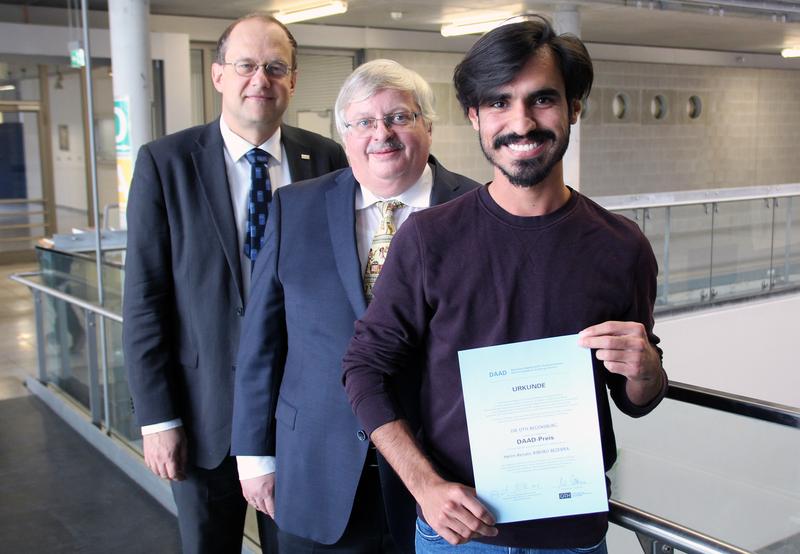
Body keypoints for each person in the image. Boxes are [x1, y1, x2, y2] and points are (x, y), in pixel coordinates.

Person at [342, 18, 668, 554]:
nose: (521, 122)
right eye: (498, 102)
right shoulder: (428, 239)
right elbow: (363, 369)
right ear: (474, 116)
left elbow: (635, 399)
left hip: (573, 532)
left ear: (574, 108)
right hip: (460, 532)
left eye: (542, 100)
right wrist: (424, 486)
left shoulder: (620, 246)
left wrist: (647, 371)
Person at [230, 59, 479, 553]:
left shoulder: (478, 210)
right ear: (344, 135)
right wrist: (255, 457)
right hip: (315, 468)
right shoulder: (293, 207)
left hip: (441, 478)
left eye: (399, 118)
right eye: (363, 122)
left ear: (428, 125)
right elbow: (262, 340)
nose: (380, 134)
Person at [122, 12, 348, 554]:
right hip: (205, 418)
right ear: (219, 74)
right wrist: (158, 418)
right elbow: (145, 300)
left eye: (275, 67)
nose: (260, 80)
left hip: (302, 414)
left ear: (293, 80)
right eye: (245, 65)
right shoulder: (165, 163)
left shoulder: (330, 160)